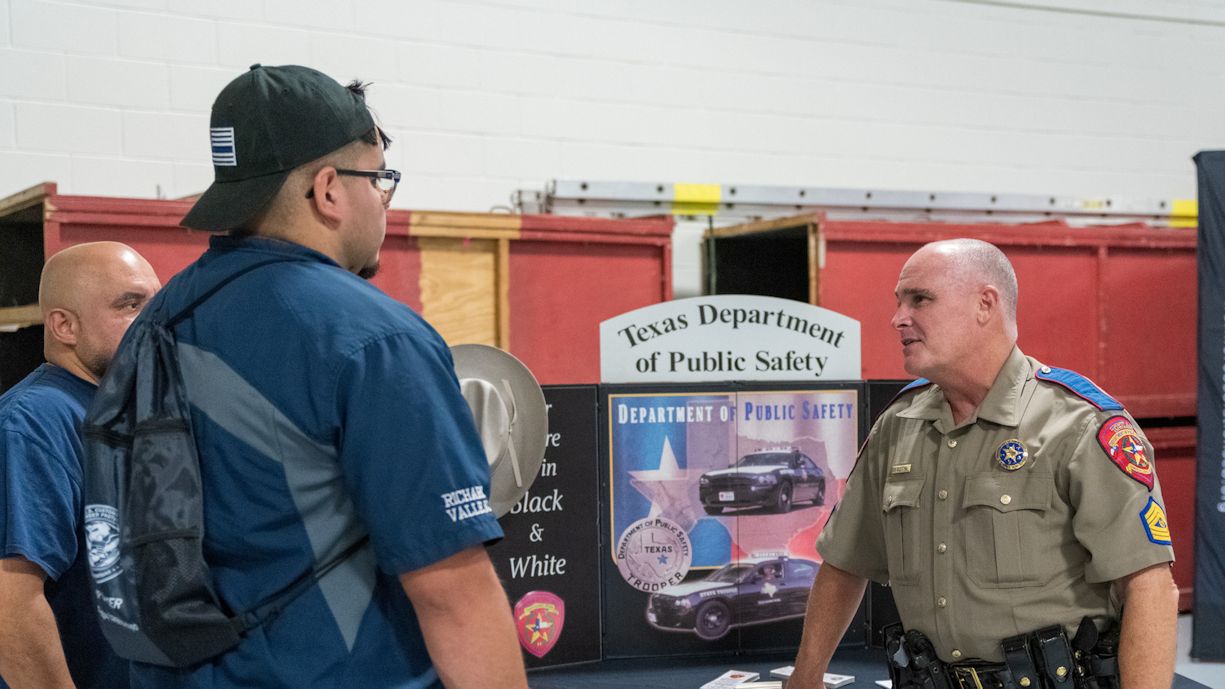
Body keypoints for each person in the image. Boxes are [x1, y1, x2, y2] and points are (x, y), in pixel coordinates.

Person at [124, 64, 528, 688]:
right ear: (330, 189)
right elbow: (453, 593)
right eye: (381, 180)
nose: (385, 202)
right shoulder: (375, 340)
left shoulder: (161, 317)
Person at [790, 239, 1179, 689]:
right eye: (898, 302)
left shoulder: (1077, 425)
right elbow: (845, 562)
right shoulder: (898, 426)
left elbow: (1149, 586)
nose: (898, 318)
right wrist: (805, 677)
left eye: (920, 299)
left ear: (984, 304)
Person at [0, 242, 161, 688]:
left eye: (156, 302)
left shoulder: (118, 411)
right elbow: (9, 606)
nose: (153, 322)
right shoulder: (35, 422)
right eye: (130, 305)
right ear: (64, 325)